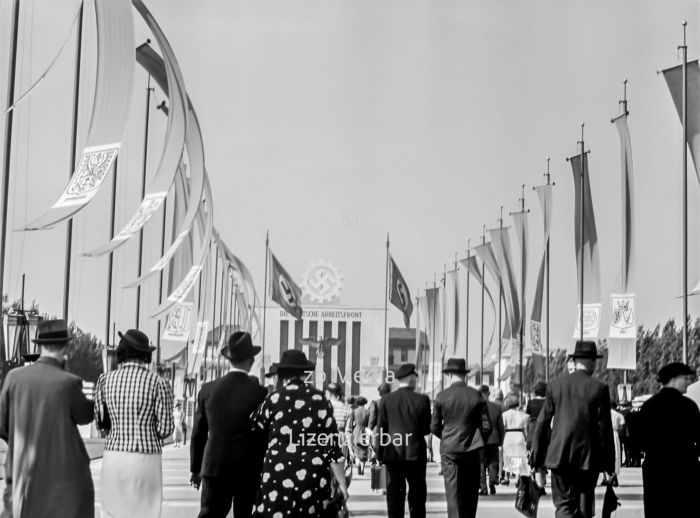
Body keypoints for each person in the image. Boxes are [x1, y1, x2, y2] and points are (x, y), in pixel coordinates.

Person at [0, 319, 94, 518]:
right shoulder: (68, 382)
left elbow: (2, 424)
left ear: (39, 345)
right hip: (64, 481)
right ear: (65, 347)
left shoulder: (14, 378)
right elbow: (85, 416)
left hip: (23, 476)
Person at [253, 349, 349, 517]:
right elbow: (332, 445)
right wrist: (341, 483)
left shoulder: (273, 399)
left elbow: (256, 434)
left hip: (277, 473)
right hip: (312, 475)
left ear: (282, 374)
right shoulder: (320, 399)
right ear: (305, 373)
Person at [94, 329, 175, 518]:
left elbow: (100, 423)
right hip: (146, 457)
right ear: (146, 354)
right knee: (145, 512)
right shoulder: (158, 383)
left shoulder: (105, 380)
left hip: (114, 454)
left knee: (113, 512)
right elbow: (165, 429)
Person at [530, 340, 615, 518]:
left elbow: (542, 423)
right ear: (593, 362)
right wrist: (609, 465)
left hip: (559, 456)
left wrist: (537, 461)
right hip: (588, 459)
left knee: (563, 506)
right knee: (585, 507)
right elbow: (605, 429)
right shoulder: (599, 388)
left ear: (575, 361)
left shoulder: (555, 385)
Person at [189, 331, 268, 518]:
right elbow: (264, 433)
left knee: (210, 514)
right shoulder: (259, 393)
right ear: (251, 360)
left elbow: (198, 433)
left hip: (214, 466)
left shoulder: (207, 390)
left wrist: (195, 469)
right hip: (249, 468)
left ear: (228, 360)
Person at [431, 359, 491, 518]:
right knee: (470, 491)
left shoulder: (441, 396)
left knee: (453, 492)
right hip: (472, 449)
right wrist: (476, 439)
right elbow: (487, 426)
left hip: (449, 450)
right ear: (465, 375)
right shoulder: (477, 395)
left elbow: (434, 426)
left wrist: (445, 436)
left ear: (449, 374)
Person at [639, 362, 700, 518]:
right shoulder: (689, 406)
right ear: (673, 380)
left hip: (655, 469)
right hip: (685, 469)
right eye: (686, 378)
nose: (689, 381)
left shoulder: (648, 406)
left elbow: (639, 440)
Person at [378, 363, 431, 518]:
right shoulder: (422, 400)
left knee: (394, 495)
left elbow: (382, 429)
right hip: (416, 454)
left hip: (393, 454)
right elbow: (427, 429)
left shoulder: (386, 400)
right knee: (417, 496)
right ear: (411, 378)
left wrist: (379, 454)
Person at [478, 385, 504, 496]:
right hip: (493, 439)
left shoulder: (476, 407)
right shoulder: (496, 408)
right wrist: (501, 439)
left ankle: (483, 487)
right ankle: (493, 481)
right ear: (488, 394)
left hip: (480, 440)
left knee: (481, 463)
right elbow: (500, 426)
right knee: (493, 461)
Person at [502, 395, 529, 480]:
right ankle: (518, 477)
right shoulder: (524, 416)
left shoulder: (504, 415)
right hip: (519, 435)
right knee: (519, 457)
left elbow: (503, 428)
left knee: (507, 456)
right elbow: (526, 431)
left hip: (508, 436)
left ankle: (506, 476)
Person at [526, 381, 547, 489]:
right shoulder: (548, 402)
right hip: (546, 429)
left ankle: (539, 482)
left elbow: (527, 416)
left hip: (533, 429)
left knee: (535, 456)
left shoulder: (531, 402)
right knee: (543, 457)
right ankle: (542, 481)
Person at [346, 396, 370, 475]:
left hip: (356, 431)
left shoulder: (354, 411)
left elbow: (350, 425)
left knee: (356, 449)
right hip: (365, 431)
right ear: (365, 403)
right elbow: (370, 423)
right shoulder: (367, 411)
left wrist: (351, 430)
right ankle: (362, 466)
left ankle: (357, 463)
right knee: (364, 450)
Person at [603, 402, 625, 487]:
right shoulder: (619, 415)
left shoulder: (604, 414)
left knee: (605, 454)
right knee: (616, 454)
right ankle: (614, 474)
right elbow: (622, 426)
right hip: (614, 434)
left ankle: (606, 476)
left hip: (605, 434)